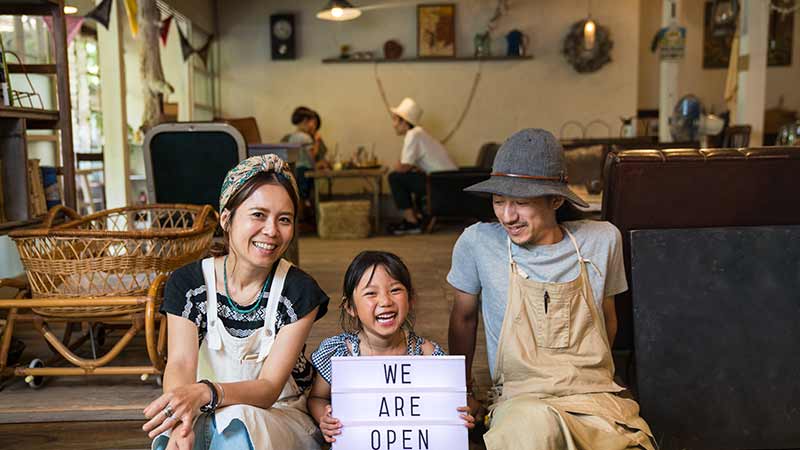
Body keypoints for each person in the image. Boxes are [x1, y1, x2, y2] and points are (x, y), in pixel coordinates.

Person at [447, 129, 655, 450]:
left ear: (557, 199)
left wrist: (584, 375)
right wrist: (463, 390)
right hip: (522, 398)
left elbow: (607, 319)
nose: (507, 215)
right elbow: (463, 317)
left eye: (520, 203)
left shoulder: (602, 240)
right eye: (499, 201)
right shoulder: (477, 243)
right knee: (532, 431)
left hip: (595, 396)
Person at [143, 154, 329, 450]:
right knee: (171, 441)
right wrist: (180, 420)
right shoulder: (189, 284)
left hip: (279, 417)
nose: (271, 231)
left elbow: (269, 389)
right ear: (226, 218)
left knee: (236, 427)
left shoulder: (299, 291)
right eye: (258, 215)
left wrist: (206, 393)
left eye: (284, 220)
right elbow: (179, 363)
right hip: (204, 407)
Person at [307, 250, 475, 443]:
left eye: (395, 290)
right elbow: (317, 398)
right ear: (350, 307)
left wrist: (459, 418)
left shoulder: (427, 355)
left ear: (410, 300)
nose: (386, 301)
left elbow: (449, 402)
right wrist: (324, 418)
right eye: (371, 293)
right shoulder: (339, 354)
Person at [387, 97, 457, 235]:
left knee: (394, 177)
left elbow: (403, 166)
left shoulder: (413, 134)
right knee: (403, 176)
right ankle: (415, 218)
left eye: (395, 120)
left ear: (404, 122)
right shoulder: (418, 133)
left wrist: (397, 166)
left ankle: (412, 222)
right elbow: (408, 164)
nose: (393, 124)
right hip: (447, 179)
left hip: (443, 182)